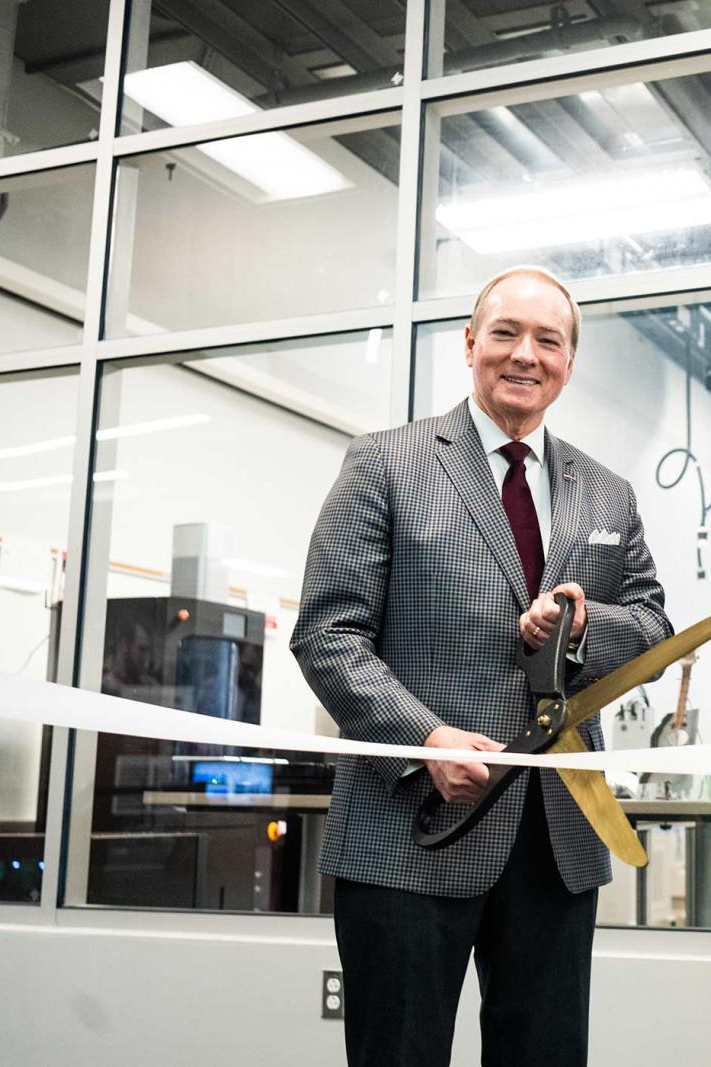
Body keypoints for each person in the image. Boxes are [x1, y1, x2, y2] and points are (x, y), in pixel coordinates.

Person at [291, 266, 671, 1067]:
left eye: (548, 340)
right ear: (470, 343)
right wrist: (425, 737)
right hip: (409, 831)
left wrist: (581, 626)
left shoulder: (607, 494)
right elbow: (328, 633)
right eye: (506, 333)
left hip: (554, 838)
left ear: (570, 362)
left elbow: (650, 630)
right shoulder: (385, 463)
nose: (525, 354)